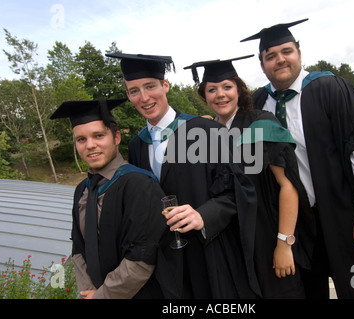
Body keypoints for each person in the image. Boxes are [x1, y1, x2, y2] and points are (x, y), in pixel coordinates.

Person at [241, 18, 354, 299]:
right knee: (308, 291)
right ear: (262, 65)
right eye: (270, 56)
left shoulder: (331, 89)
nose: (280, 60)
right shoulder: (258, 103)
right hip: (296, 225)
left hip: (344, 216)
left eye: (286, 51)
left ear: (299, 52)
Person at [106, 52, 260, 299]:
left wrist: (203, 215)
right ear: (128, 95)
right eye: (134, 91)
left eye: (150, 86)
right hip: (167, 260)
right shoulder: (136, 145)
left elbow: (239, 190)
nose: (144, 97)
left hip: (209, 252)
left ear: (165, 86)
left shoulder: (206, 131)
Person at [184, 56, 316, 298]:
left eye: (227, 87)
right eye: (212, 90)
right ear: (204, 95)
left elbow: (288, 185)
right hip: (232, 244)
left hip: (267, 236)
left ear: (238, 90)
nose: (220, 95)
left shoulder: (262, 124)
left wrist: (284, 244)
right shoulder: (208, 135)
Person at [50, 99, 167, 299]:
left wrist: (102, 296)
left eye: (99, 136)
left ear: (116, 137)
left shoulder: (139, 185)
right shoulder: (82, 189)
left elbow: (142, 256)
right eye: (81, 139)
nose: (90, 145)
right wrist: (88, 291)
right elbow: (78, 246)